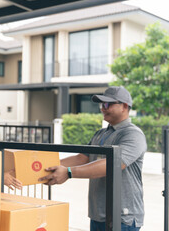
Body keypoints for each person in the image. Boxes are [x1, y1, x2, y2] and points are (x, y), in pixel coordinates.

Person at [39, 86, 146, 231]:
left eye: (108, 104)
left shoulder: (133, 134)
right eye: (102, 104)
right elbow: (81, 158)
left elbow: (113, 164)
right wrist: (44, 167)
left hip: (122, 217)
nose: (102, 108)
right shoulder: (101, 133)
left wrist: (68, 172)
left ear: (124, 106)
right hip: (98, 214)